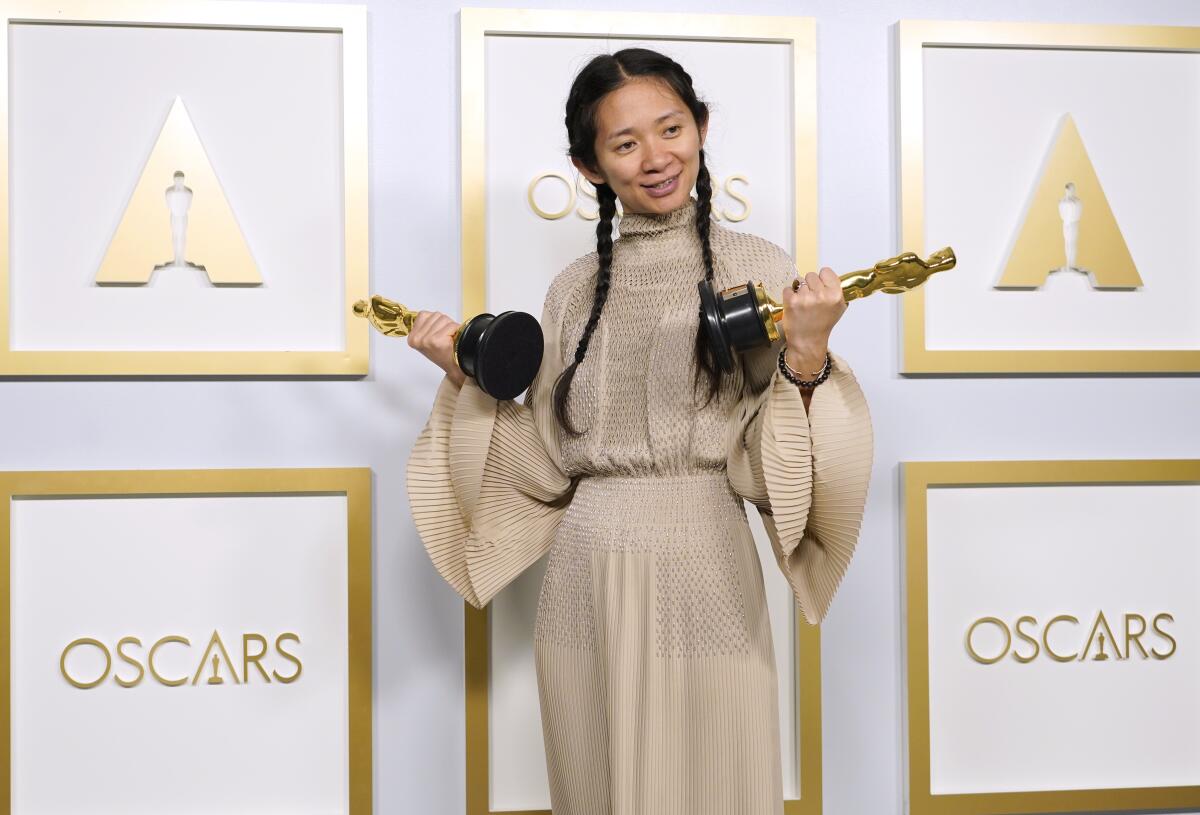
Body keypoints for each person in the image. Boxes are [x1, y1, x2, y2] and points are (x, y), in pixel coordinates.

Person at [406, 48, 872, 815]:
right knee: (597, 780)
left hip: (707, 559)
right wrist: (461, 372)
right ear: (588, 166)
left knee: (717, 773)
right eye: (625, 144)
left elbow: (775, 449)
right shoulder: (570, 291)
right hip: (587, 573)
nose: (657, 158)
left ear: (701, 127)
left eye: (672, 129)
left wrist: (810, 350)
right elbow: (547, 463)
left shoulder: (758, 269)